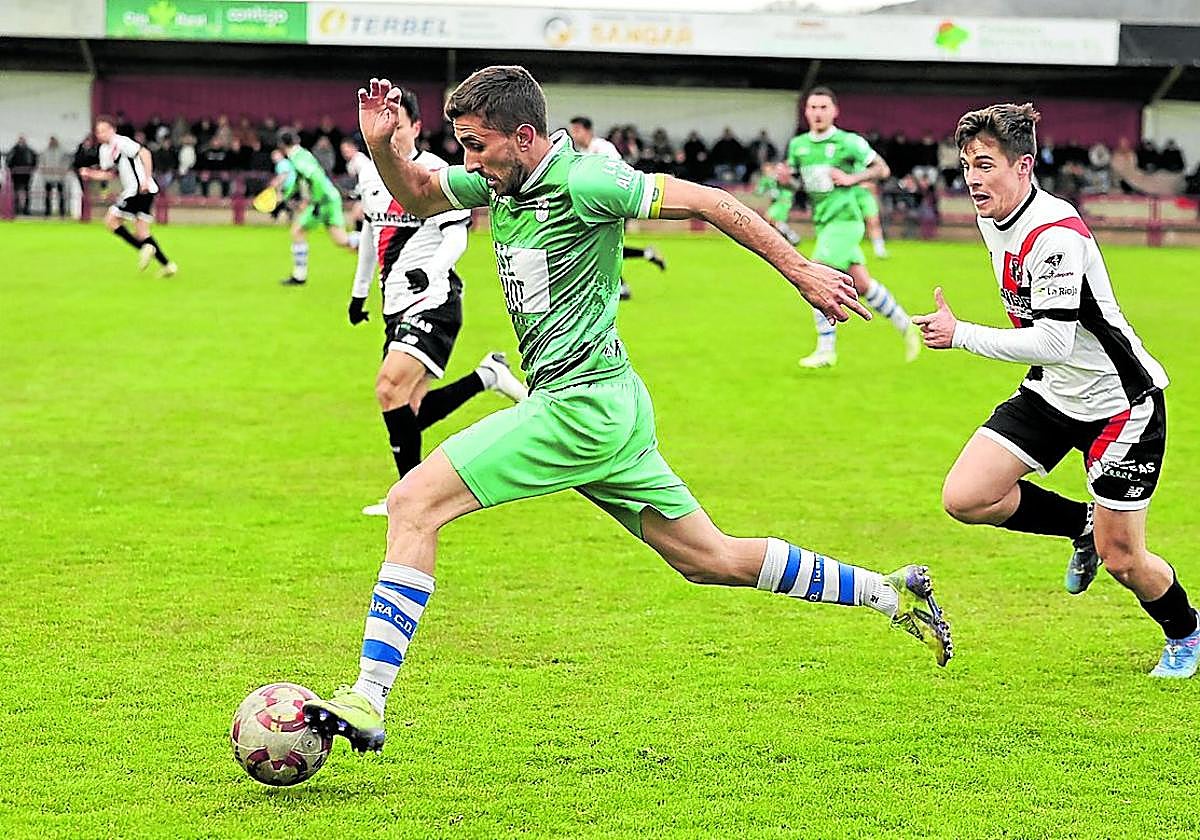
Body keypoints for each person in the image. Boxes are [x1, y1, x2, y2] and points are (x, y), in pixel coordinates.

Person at [300, 68, 953, 754]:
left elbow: (709, 200)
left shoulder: (587, 180)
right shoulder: (500, 179)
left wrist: (801, 270)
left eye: (476, 146)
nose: (468, 162)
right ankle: (889, 592)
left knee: (412, 503)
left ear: (522, 137)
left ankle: (367, 697)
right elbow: (418, 192)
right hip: (606, 405)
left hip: (580, 407)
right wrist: (382, 147)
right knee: (711, 558)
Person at [913, 102, 1197, 679]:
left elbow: (1054, 341)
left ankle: (1185, 630)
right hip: (1053, 393)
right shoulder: (992, 218)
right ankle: (1081, 524)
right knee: (966, 497)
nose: (972, 178)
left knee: (1123, 558)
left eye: (985, 165)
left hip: (1121, 405)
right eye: (966, 165)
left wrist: (960, 334)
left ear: (1024, 166)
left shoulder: (1055, 234)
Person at [339, 94, 527, 516]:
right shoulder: (371, 176)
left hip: (434, 300)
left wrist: (431, 271)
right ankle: (487, 376)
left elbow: (457, 235)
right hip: (394, 303)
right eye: (384, 125)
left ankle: (407, 499)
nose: (391, 133)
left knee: (388, 387)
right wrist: (359, 292)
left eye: (398, 124)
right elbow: (370, 236)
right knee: (410, 410)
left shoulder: (435, 173)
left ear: (416, 127)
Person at [782, 87, 921, 368]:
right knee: (862, 284)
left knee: (816, 273)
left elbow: (882, 169)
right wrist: (786, 180)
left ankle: (826, 349)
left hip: (846, 221)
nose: (818, 113)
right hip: (824, 222)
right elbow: (801, 184)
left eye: (824, 107)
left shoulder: (848, 142)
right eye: (813, 107)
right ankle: (906, 325)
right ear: (806, 111)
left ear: (835, 111)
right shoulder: (798, 146)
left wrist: (852, 178)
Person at [568, 116, 666, 300]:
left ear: (587, 131)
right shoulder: (582, 152)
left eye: (576, 130)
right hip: (599, 207)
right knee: (602, 246)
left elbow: (619, 173)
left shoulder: (603, 148)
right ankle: (644, 257)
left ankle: (620, 285)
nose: (573, 135)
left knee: (602, 246)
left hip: (614, 204)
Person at [78, 115, 176, 277]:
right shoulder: (104, 150)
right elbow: (110, 174)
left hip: (138, 190)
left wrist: (146, 178)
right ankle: (167, 265)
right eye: (98, 131)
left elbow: (145, 153)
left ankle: (144, 248)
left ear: (113, 130)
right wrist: (90, 173)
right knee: (142, 232)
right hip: (142, 191)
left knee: (111, 221)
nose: (100, 134)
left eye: (103, 130)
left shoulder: (122, 142)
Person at [275, 128, 356, 286]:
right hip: (329, 198)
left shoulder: (297, 158)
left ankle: (299, 276)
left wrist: (317, 201)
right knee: (341, 240)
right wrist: (285, 200)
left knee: (298, 231)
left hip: (323, 201)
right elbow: (301, 180)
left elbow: (315, 177)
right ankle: (371, 245)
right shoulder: (301, 154)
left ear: (281, 145)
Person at [754, 162, 800, 245]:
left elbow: (795, 185)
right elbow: (759, 190)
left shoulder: (780, 177)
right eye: (765, 170)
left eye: (768, 170)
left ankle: (792, 237)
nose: (767, 172)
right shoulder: (766, 179)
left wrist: (784, 178)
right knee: (774, 221)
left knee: (771, 218)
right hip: (776, 203)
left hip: (783, 201)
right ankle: (791, 237)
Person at [6, 135, 38, 216]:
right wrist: (11, 168)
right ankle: (16, 209)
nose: (21, 141)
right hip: (16, 175)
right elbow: (8, 161)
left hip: (26, 174)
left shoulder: (30, 151)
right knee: (15, 192)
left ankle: (26, 209)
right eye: (20, 140)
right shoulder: (13, 150)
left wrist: (31, 168)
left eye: (23, 140)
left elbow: (34, 161)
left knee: (26, 191)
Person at [40, 136, 70, 218]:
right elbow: (41, 162)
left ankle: (62, 213)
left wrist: (63, 171)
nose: (52, 142)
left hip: (59, 177)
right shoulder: (45, 152)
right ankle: (47, 212)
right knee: (47, 196)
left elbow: (66, 162)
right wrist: (44, 171)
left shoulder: (62, 151)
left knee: (61, 196)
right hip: (48, 177)